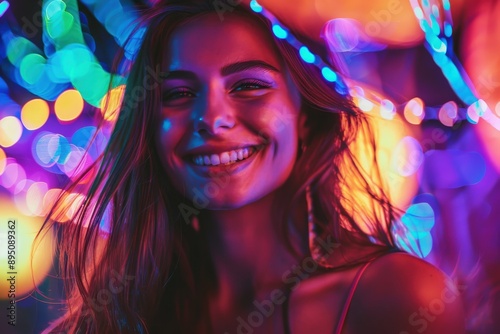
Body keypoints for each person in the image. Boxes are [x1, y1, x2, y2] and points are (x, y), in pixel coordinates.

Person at [41, 1, 465, 333]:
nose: (212, 117)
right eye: (179, 93)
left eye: (248, 85)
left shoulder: (399, 299)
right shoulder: (116, 317)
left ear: (304, 112)